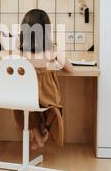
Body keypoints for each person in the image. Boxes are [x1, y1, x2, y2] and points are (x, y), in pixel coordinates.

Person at [14, 9, 74, 150]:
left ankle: (38, 133)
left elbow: (6, 67)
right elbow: (70, 69)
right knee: (40, 105)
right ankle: (44, 130)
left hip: (26, 98)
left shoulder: (19, 52)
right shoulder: (52, 51)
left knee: (25, 105)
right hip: (48, 99)